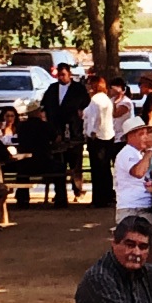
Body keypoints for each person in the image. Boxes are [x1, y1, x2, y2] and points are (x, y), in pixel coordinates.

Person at [38, 63, 86, 204]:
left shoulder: (78, 89)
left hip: (74, 130)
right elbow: (44, 106)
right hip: (55, 130)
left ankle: (77, 190)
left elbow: (84, 107)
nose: (61, 77)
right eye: (59, 75)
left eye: (63, 74)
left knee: (75, 163)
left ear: (69, 74)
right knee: (59, 163)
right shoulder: (52, 89)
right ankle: (60, 192)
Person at [112, 121, 152, 213]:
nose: (146, 137)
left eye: (146, 133)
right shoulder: (127, 152)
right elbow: (138, 173)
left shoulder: (138, 154)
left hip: (145, 205)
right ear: (131, 136)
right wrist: (150, 150)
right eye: (141, 134)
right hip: (133, 208)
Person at [80, 72, 118, 206]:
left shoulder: (96, 100)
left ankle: (99, 199)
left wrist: (91, 132)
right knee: (105, 168)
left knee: (98, 169)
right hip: (108, 136)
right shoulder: (105, 99)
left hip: (98, 138)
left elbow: (95, 119)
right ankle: (107, 196)